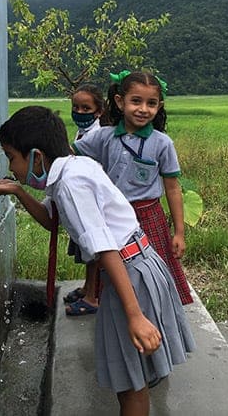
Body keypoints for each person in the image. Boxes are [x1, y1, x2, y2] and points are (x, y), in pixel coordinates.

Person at [0, 106, 195, 416]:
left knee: (131, 385)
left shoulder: (71, 184)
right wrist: (18, 191)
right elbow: (51, 219)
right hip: (136, 265)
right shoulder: (73, 168)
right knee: (132, 376)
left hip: (128, 271)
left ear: (36, 157)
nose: (11, 167)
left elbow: (106, 248)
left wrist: (134, 315)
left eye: (11, 157)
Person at [73, 70, 194, 305]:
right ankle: (114, 309)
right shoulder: (104, 137)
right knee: (112, 266)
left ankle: (157, 310)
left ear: (159, 106)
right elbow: (71, 154)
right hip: (111, 215)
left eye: (151, 103)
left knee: (153, 268)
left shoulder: (162, 143)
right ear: (120, 102)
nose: (143, 109)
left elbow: (172, 188)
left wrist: (179, 232)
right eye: (136, 101)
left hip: (148, 217)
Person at [64, 84, 108, 315]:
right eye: (76, 107)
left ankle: (92, 296)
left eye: (86, 108)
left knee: (93, 251)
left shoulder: (97, 135)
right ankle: (87, 287)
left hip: (92, 199)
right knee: (87, 249)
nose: (80, 112)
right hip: (83, 196)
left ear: (98, 111)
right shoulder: (82, 132)